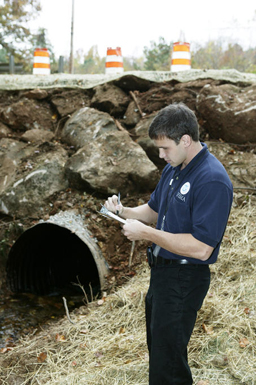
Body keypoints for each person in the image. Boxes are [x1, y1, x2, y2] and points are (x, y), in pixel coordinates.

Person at [104, 102, 233, 385]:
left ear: (185, 140)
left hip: (185, 278)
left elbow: (202, 247)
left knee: (169, 367)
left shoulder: (211, 180)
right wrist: (122, 212)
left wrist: (147, 235)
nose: (161, 155)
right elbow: (152, 211)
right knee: (162, 355)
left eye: (165, 148)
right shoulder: (175, 168)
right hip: (162, 274)